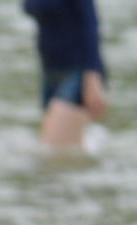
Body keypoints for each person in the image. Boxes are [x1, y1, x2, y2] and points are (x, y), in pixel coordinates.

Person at [22, 0, 108, 150]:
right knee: (58, 153)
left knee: (54, 150)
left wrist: (93, 78)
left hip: (79, 72)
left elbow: (90, 25)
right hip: (50, 72)